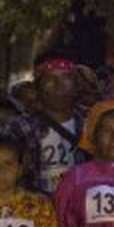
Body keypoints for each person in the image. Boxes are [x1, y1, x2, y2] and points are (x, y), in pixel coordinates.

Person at [27, 53, 86, 194]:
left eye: (66, 78)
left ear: (77, 85)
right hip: (39, 210)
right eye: (49, 78)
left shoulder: (92, 124)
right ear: (37, 87)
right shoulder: (20, 128)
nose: (58, 85)